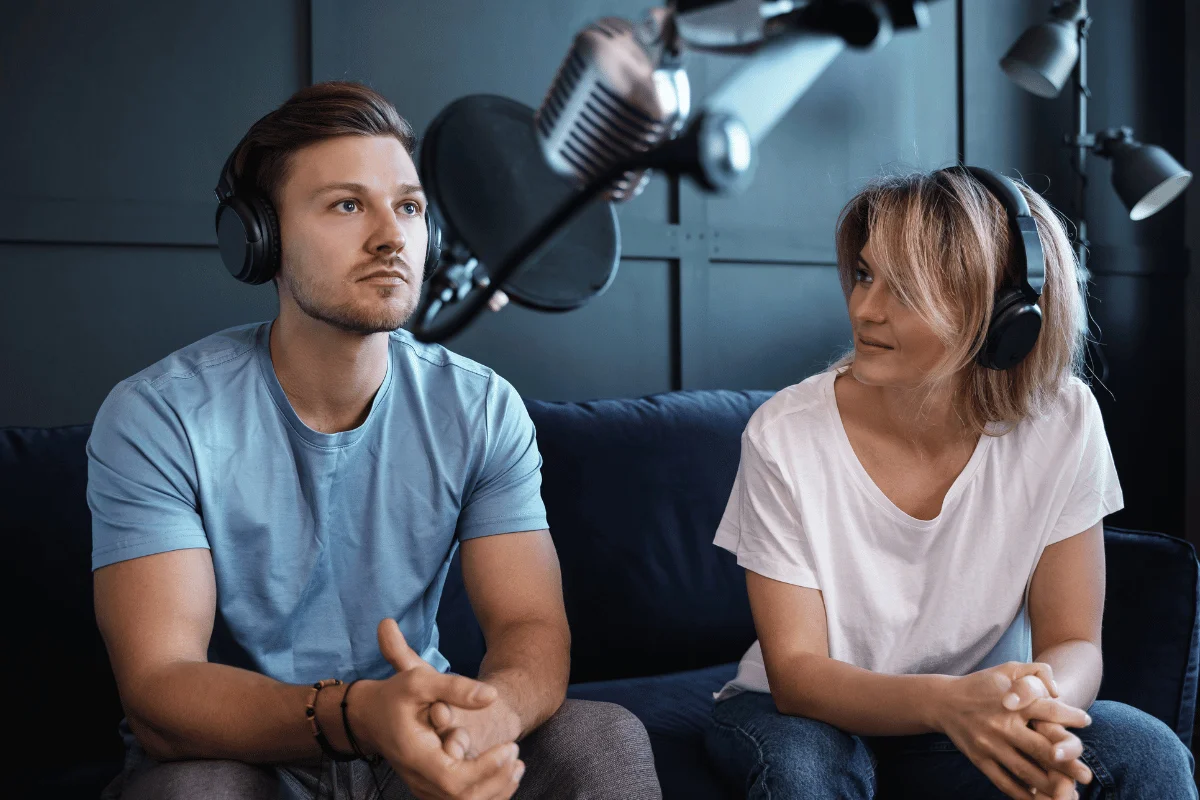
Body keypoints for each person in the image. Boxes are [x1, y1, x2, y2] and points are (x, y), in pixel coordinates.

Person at [89, 81, 660, 800]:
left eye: (411, 207)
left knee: (602, 735)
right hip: (242, 752)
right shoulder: (157, 416)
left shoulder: (482, 407)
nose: (392, 235)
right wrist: (360, 716)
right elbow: (160, 688)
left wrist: (487, 723)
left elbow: (530, 626)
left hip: (415, 742)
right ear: (261, 237)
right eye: (347, 204)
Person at [703, 167, 1197, 799]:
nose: (864, 309)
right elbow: (798, 673)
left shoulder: (1064, 419)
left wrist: (1033, 711)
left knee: (1144, 752)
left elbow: (1074, 642)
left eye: (904, 290)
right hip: (806, 712)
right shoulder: (783, 434)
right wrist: (949, 704)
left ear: (1004, 314)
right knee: (804, 775)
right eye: (863, 274)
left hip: (976, 710)